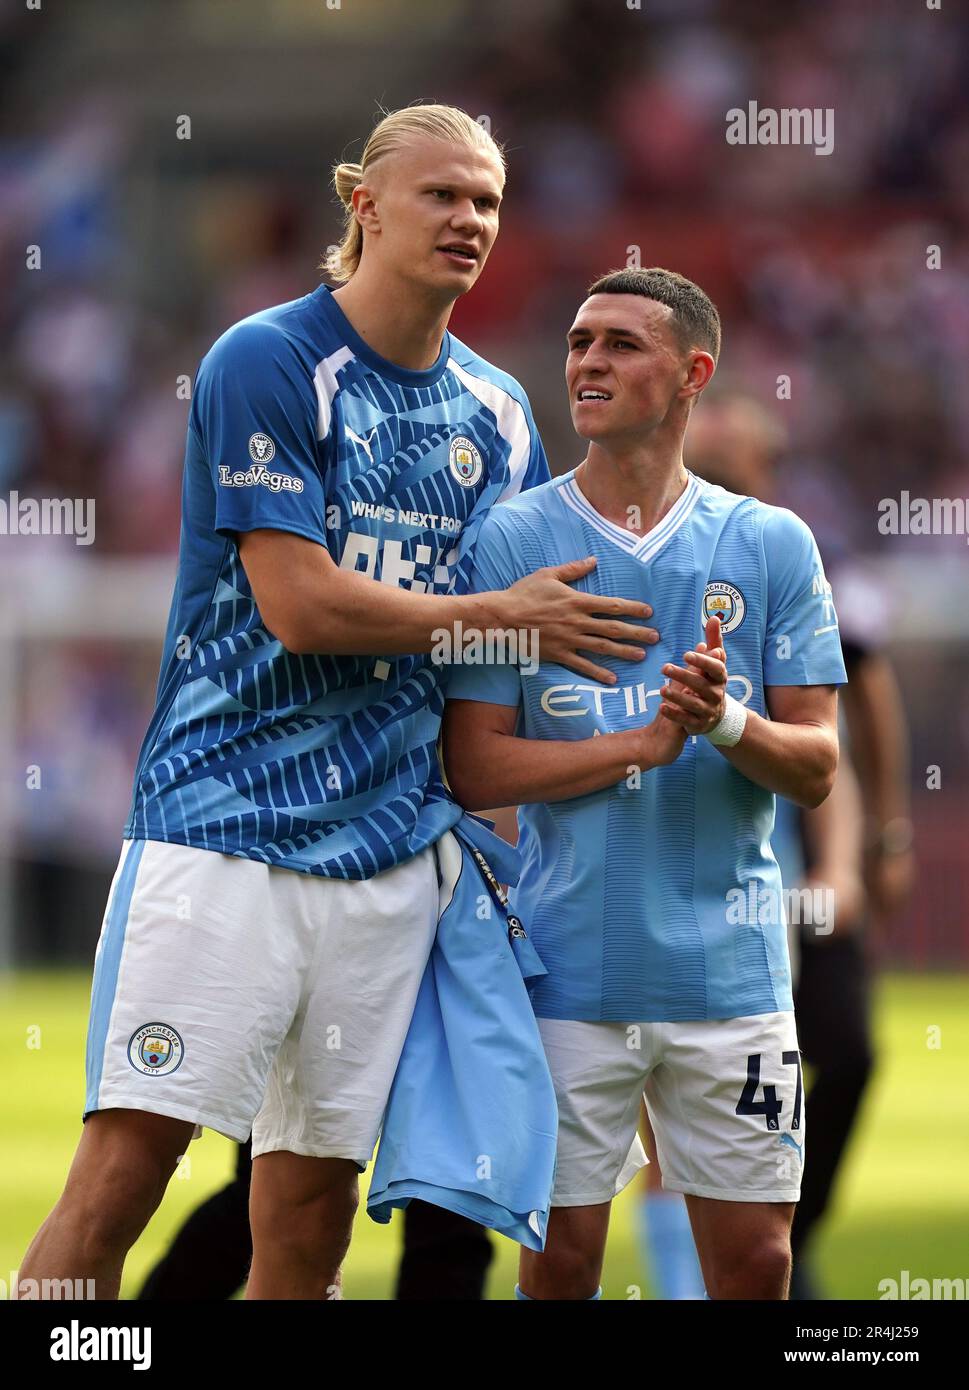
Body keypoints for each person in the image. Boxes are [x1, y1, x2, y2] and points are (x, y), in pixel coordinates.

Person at [18, 104, 660, 1302]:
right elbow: (301, 605)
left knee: (311, 1220)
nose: (470, 220)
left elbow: (490, 672)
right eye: (443, 195)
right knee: (123, 1175)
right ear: (362, 203)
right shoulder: (266, 358)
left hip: (388, 862)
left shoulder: (501, 414)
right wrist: (502, 616)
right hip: (224, 836)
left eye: (488, 202)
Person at [443, 267, 848, 1300]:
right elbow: (474, 761)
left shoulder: (769, 543)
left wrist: (721, 720)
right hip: (570, 974)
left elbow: (816, 763)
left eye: (621, 344)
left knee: (757, 1264)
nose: (588, 362)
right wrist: (638, 745)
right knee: (562, 1262)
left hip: (734, 980)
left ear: (691, 374)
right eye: (580, 342)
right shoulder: (516, 539)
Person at [685, 395, 914, 1299]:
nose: (710, 431)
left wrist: (874, 844)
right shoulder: (661, 542)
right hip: (705, 866)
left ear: (765, 447)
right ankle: (749, 1257)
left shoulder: (807, 551)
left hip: (801, 852)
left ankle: (787, 1240)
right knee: (711, 1080)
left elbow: (862, 711)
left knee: (848, 1051)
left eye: (727, 421)